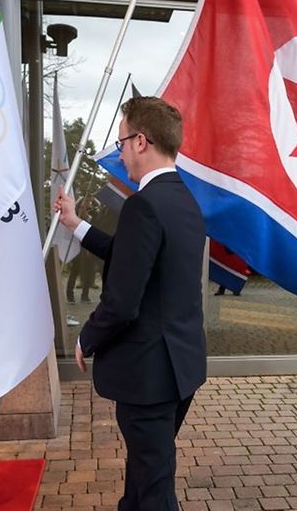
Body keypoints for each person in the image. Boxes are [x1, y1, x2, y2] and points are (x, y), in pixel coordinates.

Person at [54, 96, 206, 511]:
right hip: (179, 368)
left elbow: (122, 302)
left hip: (149, 375)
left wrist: (87, 337)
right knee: (143, 475)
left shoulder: (144, 205)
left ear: (141, 141)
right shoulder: (184, 201)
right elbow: (130, 256)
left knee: (155, 488)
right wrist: (75, 224)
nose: (120, 153)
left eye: (121, 142)